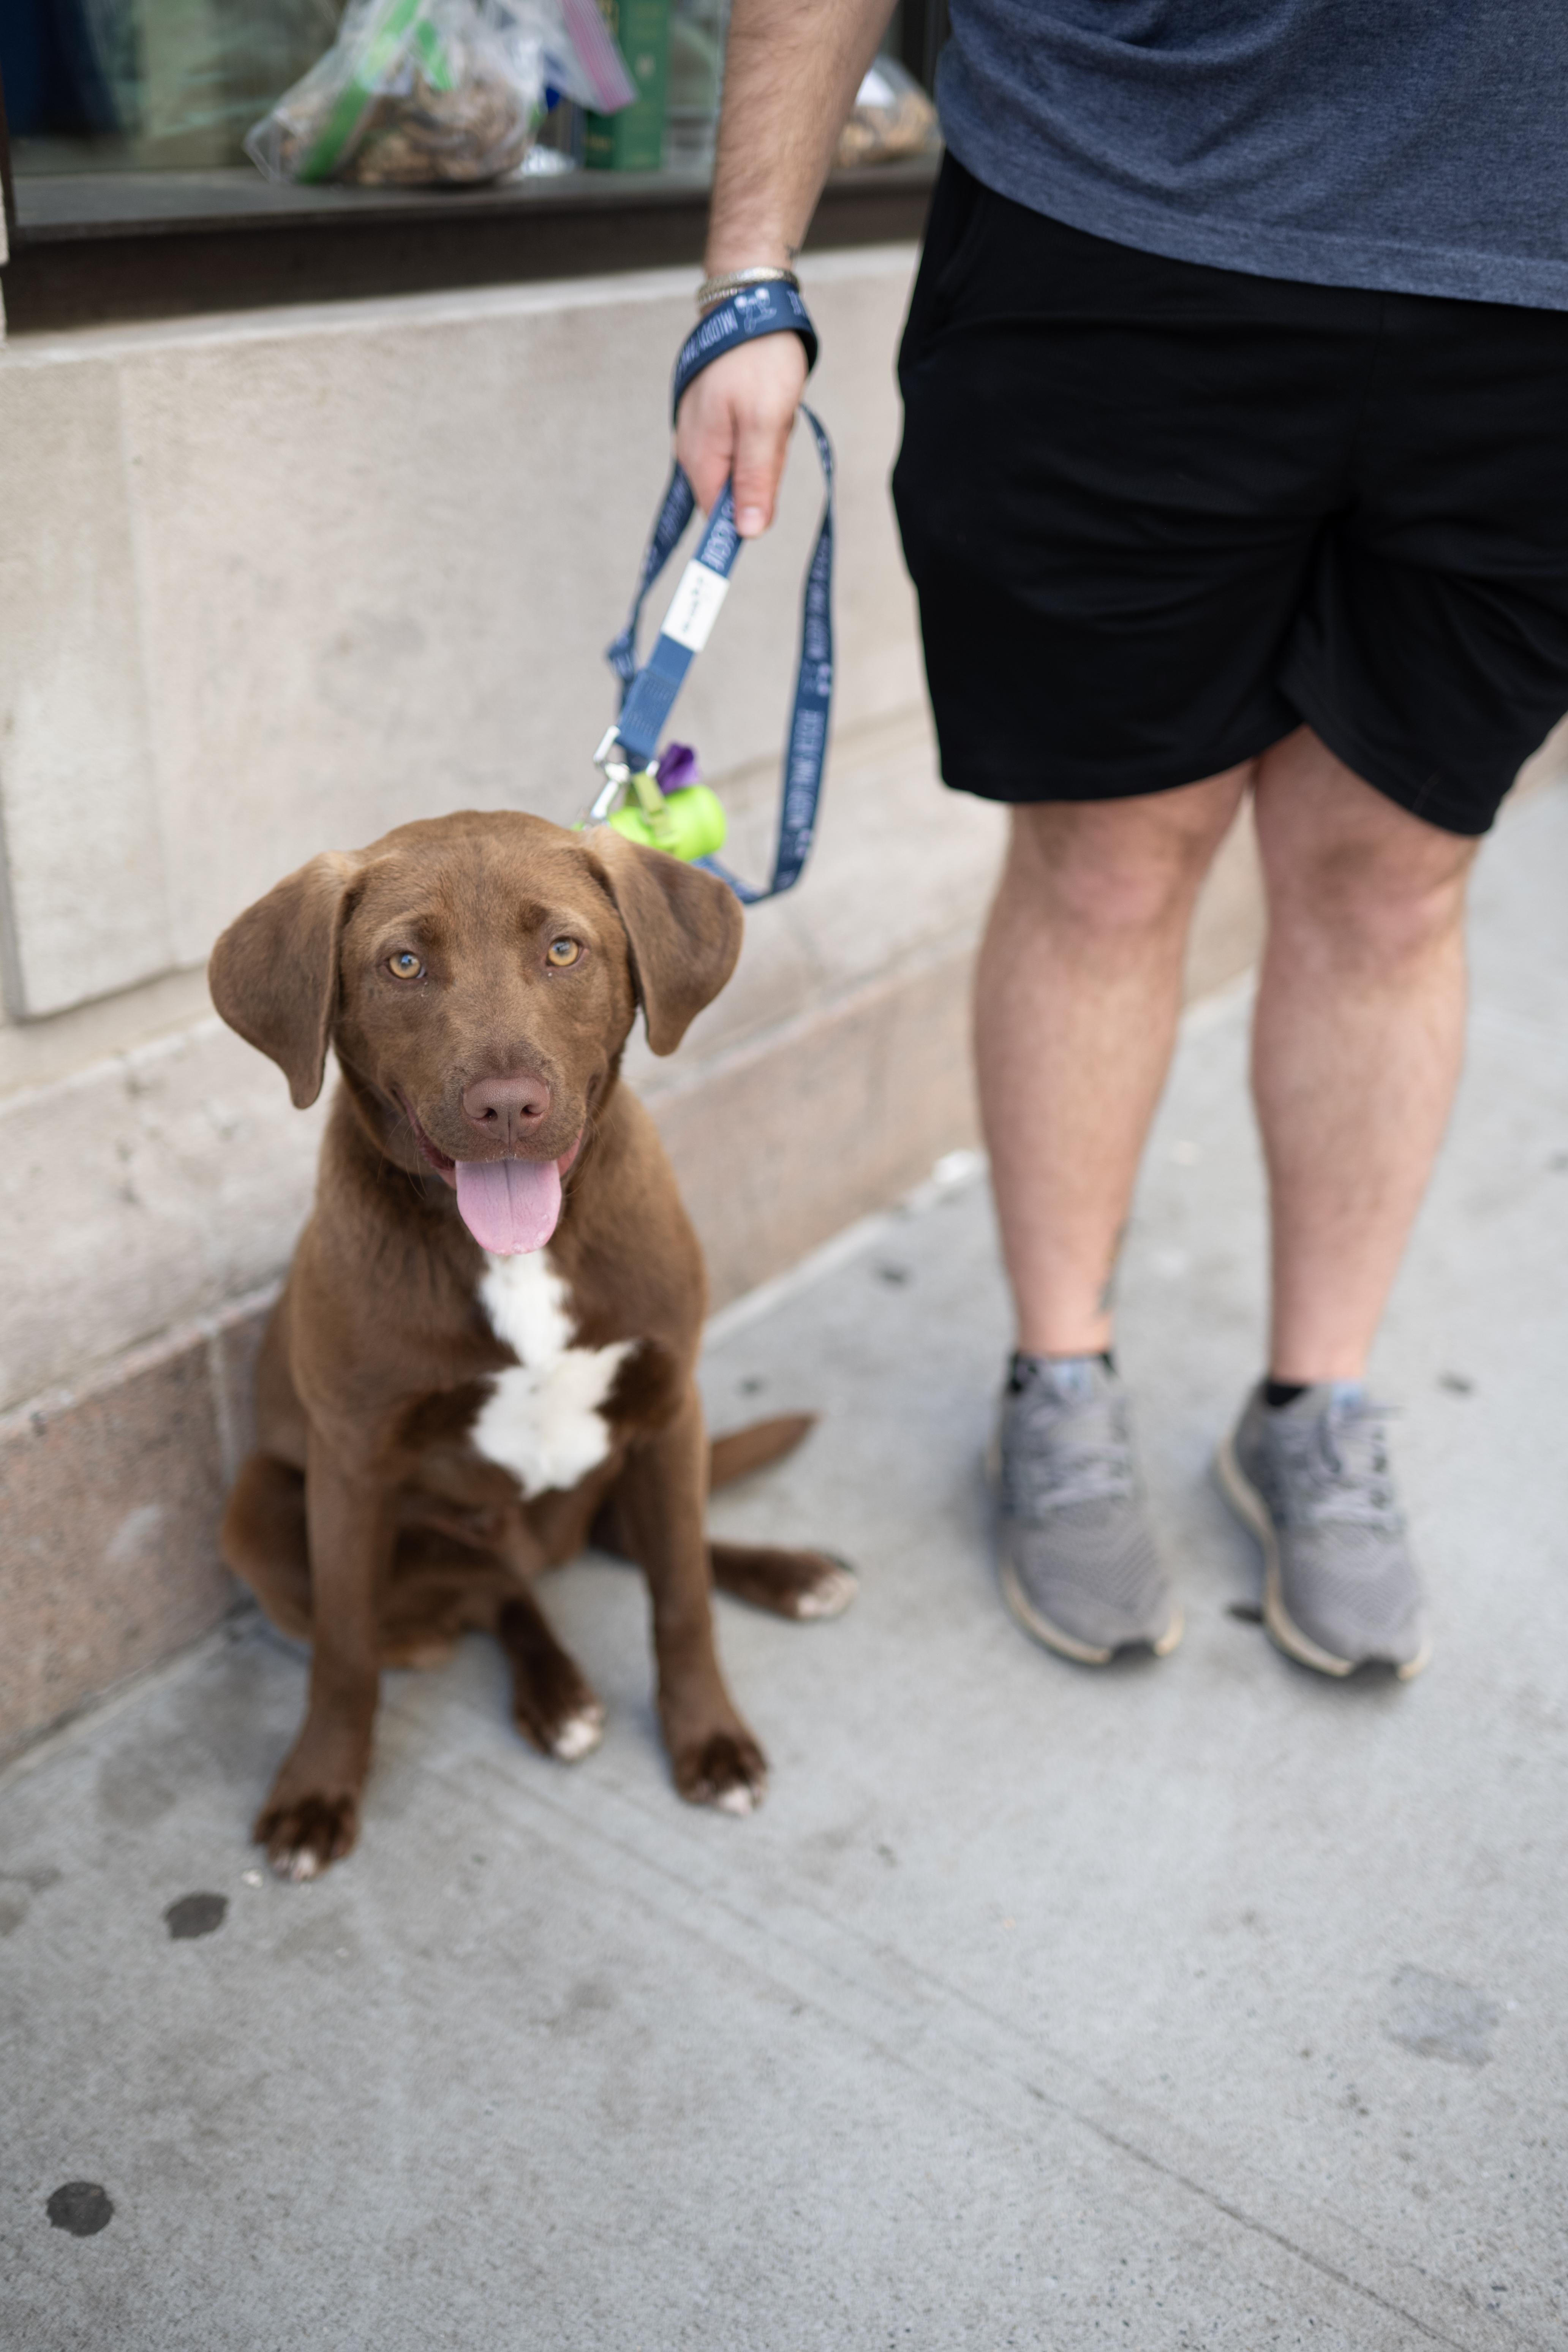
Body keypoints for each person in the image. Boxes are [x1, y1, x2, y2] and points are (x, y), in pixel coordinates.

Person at [675, 1, 1568, 1679]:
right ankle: (1058, 1383)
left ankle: (1318, 1403)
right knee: (1105, 860)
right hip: (1116, 216)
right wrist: (749, 269)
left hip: (1539, 291)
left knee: (1394, 879)